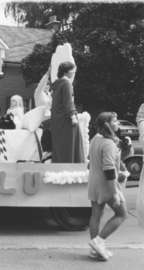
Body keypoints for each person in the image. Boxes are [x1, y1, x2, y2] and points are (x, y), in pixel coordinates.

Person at [88, 112, 128, 261]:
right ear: (108, 125)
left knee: (96, 215)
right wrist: (115, 193)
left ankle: (95, 249)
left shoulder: (95, 139)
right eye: (115, 120)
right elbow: (109, 169)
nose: (117, 123)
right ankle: (98, 241)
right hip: (106, 185)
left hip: (94, 182)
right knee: (122, 214)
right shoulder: (108, 143)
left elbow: (91, 162)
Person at [50, 61, 84, 163]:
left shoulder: (56, 84)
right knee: (71, 145)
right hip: (66, 119)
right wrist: (73, 116)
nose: (74, 72)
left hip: (56, 120)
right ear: (67, 71)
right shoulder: (66, 83)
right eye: (72, 70)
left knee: (60, 147)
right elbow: (68, 101)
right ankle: (72, 168)